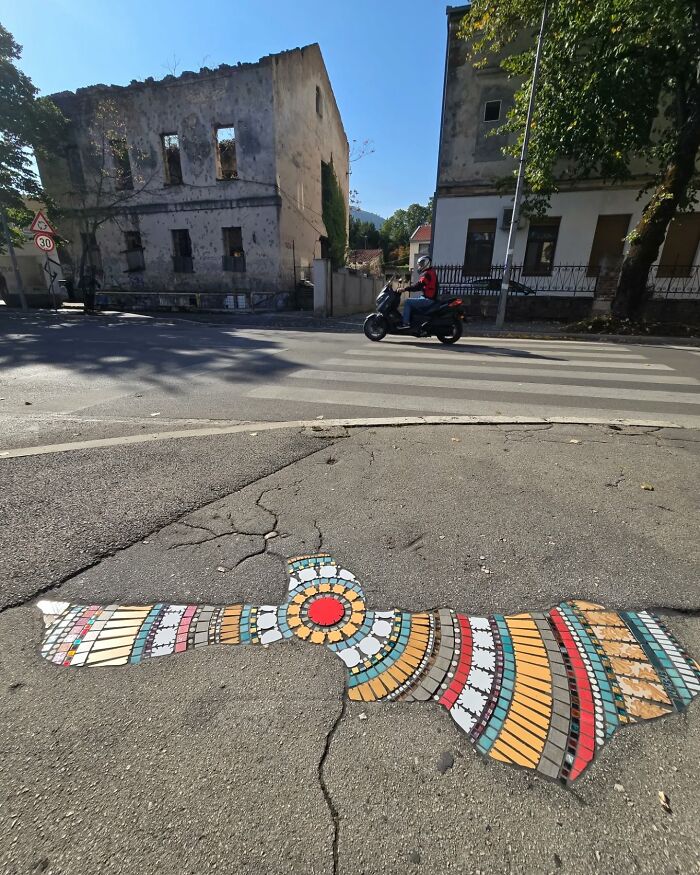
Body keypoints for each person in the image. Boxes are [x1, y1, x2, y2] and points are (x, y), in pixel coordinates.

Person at [402, 255, 439, 326]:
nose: (419, 267)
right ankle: (413, 322)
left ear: (426, 264)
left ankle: (405, 324)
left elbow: (418, 286)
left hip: (428, 300)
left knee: (407, 302)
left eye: (421, 265)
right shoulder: (432, 272)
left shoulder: (427, 274)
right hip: (427, 298)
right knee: (413, 303)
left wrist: (405, 289)